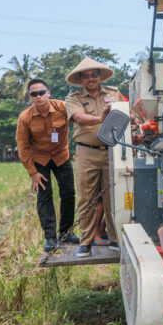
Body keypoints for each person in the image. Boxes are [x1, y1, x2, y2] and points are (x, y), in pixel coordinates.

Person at [65, 57, 124, 257]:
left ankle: (115, 238)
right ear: (81, 79)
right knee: (87, 197)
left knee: (113, 196)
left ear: (100, 76)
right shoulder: (73, 98)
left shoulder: (114, 94)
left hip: (112, 150)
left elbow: (127, 112)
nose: (91, 78)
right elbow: (79, 118)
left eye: (94, 74)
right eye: (86, 75)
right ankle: (86, 242)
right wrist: (101, 118)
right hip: (86, 151)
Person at [15, 78, 78, 252]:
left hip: (61, 156)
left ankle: (66, 234)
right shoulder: (25, 117)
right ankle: (50, 238)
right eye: (34, 94)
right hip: (39, 159)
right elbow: (23, 146)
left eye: (41, 92)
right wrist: (32, 172)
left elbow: (79, 115)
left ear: (48, 93)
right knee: (44, 196)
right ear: (30, 97)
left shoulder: (62, 107)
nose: (39, 96)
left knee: (69, 193)